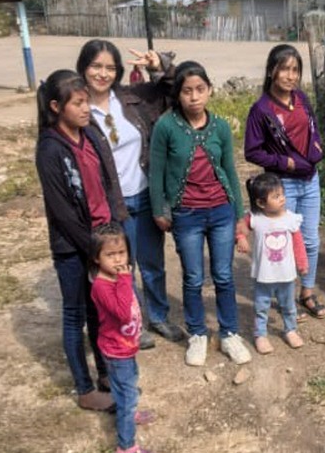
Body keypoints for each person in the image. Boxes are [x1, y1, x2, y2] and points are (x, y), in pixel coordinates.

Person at [77, 39, 186, 348]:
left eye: (110, 67)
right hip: (113, 203)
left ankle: (159, 316)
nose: (102, 73)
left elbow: (174, 89)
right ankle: (131, 321)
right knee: (122, 266)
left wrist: (160, 66)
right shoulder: (79, 108)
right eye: (96, 66)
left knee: (153, 263)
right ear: (83, 68)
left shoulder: (131, 98)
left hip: (144, 193)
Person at [35, 69, 129, 412]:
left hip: (100, 240)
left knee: (99, 312)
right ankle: (85, 388)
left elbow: (106, 183)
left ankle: (105, 374)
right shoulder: (49, 149)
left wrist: (112, 234)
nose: (86, 108)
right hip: (74, 248)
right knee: (76, 314)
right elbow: (62, 211)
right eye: (78, 103)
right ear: (57, 106)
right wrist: (92, 250)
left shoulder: (88, 135)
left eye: (86, 101)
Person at [149, 61, 251, 368]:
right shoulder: (166, 127)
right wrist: (159, 209)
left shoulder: (219, 126)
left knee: (223, 275)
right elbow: (157, 173)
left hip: (220, 211)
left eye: (200, 89)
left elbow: (231, 171)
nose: (194, 97)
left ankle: (230, 333)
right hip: (187, 215)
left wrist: (239, 215)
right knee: (193, 278)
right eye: (187, 91)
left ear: (209, 90)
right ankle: (197, 334)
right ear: (178, 95)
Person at [243, 44, 325, 318]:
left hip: (310, 180)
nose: (290, 76)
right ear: (272, 71)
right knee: (284, 242)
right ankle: (285, 296)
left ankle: (307, 291)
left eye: (295, 70)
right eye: (284, 69)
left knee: (311, 240)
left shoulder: (302, 99)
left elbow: (313, 128)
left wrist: (317, 148)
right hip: (283, 185)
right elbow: (252, 150)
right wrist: (285, 163)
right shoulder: (261, 109)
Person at [88, 222, 156, 453]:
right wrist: (126, 280)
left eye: (122, 253)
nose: (117, 260)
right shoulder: (102, 285)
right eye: (110, 255)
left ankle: (129, 411)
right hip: (117, 351)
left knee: (128, 384)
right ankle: (126, 447)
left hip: (125, 347)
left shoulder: (116, 279)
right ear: (96, 258)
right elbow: (122, 313)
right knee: (127, 394)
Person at [237, 172, 308, 355]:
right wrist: (241, 238)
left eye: (282, 194)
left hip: (286, 274)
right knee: (261, 306)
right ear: (261, 203)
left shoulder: (290, 219)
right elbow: (241, 227)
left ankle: (290, 330)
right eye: (276, 196)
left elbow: (298, 243)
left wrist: (302, 263)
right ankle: (260, 334)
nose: (282, 199)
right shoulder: (255, 218)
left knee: (288, 305)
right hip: (263, 274)